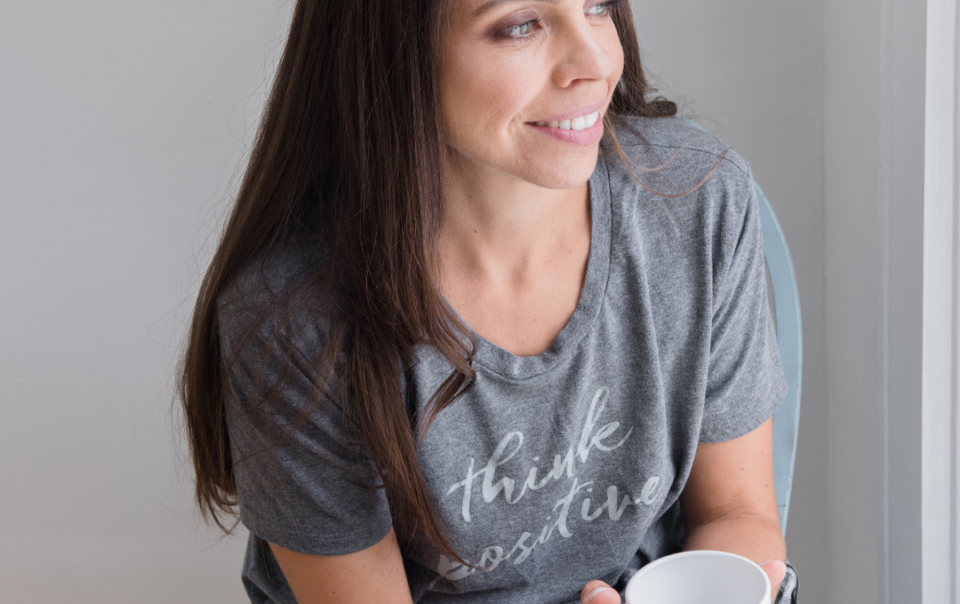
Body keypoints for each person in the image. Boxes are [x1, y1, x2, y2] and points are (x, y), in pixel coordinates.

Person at [179, 0, 798, 602]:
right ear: (392, 55)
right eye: (520, 25)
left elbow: (736, 516)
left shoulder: (698, 201)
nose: (595, 62)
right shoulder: (295, 322)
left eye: (600, 5)